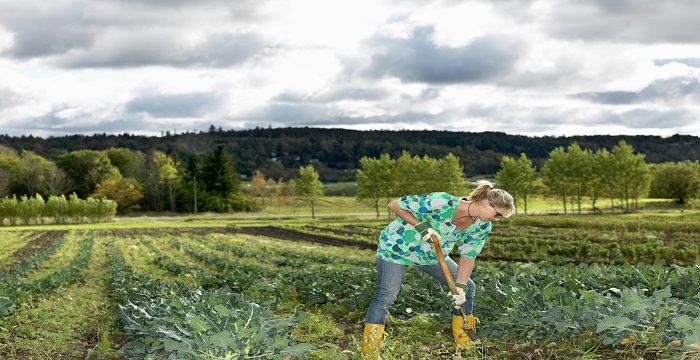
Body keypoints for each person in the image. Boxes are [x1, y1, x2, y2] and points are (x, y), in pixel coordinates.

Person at [361, 180, 515, 357]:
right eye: (498, 215)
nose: (497, 220)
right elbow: (395, 205)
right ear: (487, 204)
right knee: (385, 296)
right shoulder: (442, 201)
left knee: (468, 287)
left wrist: (461, 286)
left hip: (431, 256)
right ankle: (370, 351)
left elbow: (468, 256)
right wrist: (421, 226)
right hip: (398, 248)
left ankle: (463, 340)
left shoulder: (481, 225)